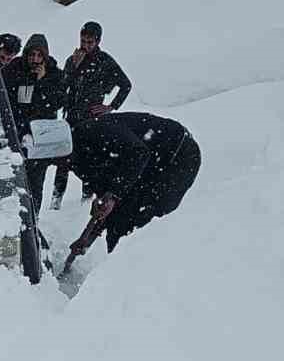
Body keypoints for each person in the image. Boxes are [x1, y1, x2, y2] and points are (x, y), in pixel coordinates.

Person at [64, 111, 201, 261]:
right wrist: (93, 229)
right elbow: (107, 193)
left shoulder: (95, 131)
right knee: (119, 220)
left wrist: (113, 196)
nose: (56, 165)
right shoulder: (77, 160)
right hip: (150, 163)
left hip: (178, 155)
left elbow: (139, 153)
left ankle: (135, 272)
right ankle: (116, 268)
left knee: (143, 223)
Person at [52, 21, 132, 207]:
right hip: (71, 116)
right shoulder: (73, 59)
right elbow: (63, 86)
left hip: (92, 119)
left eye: (90, 42)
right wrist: (73, 66)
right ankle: (55, 202)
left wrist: (110, 106)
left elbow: (125, 85)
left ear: (98, 41)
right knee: (63, 159)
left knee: (90, 158)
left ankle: (85, 201)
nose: (85, 45)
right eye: (83, 41)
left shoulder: (105, 61)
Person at [3, 33, 66, 212]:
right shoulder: (15, 68)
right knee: (14, 180)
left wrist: (42, 82)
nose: (35, 60)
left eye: (39, 56)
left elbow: (59, 101)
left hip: (40, 137)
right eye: (32, 55)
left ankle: (33, 219)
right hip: (17, 132)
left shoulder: (54, 73)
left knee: (36, 183)